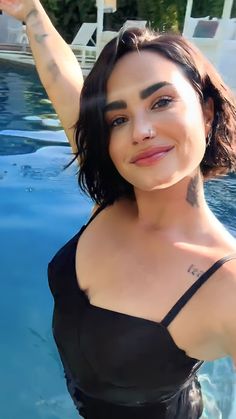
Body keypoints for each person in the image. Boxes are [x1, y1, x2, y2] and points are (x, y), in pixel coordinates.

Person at [1, 1, 236, 418]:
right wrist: (32, 13)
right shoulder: (113, 196)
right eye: (117, 119)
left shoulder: (225, 283)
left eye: (161, 101)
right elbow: (63, 83)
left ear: (206, 111)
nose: (141, 131)